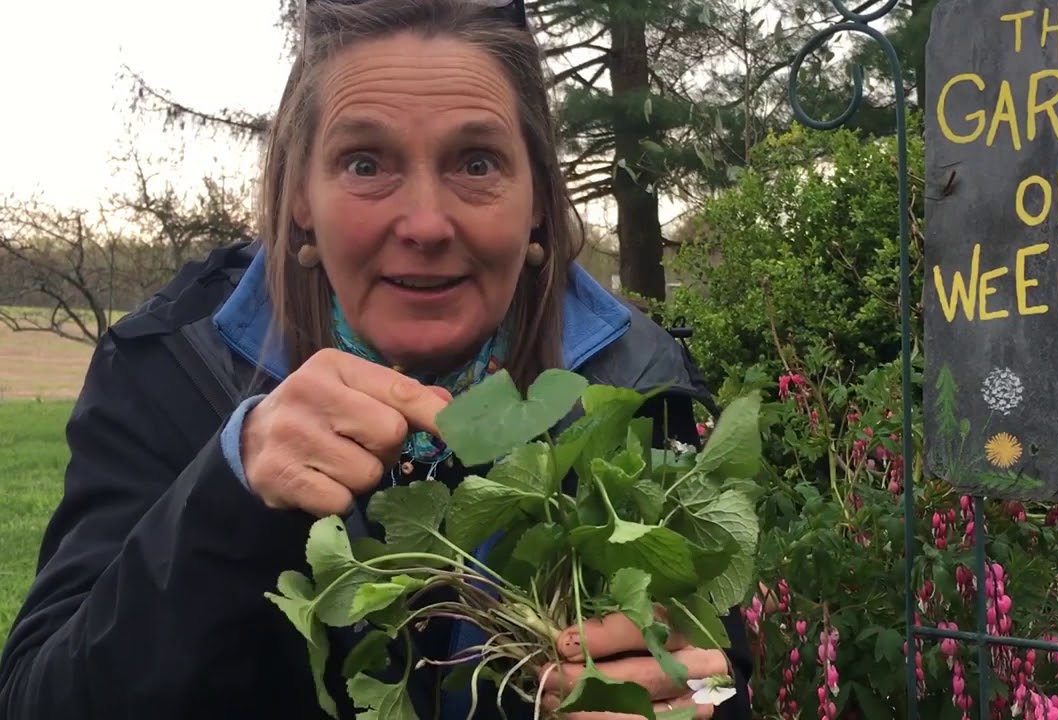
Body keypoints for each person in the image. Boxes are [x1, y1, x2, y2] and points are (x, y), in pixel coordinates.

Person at [0, 0, 754, 717]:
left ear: (538, 197)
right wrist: (230, 487)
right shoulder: (170, 367)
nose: (425, 223)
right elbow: (41, 698)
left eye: (477, 163)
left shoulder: (637, 379)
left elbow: (726, 674)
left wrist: (683, 695)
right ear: (301, 193)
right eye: (365, 164)